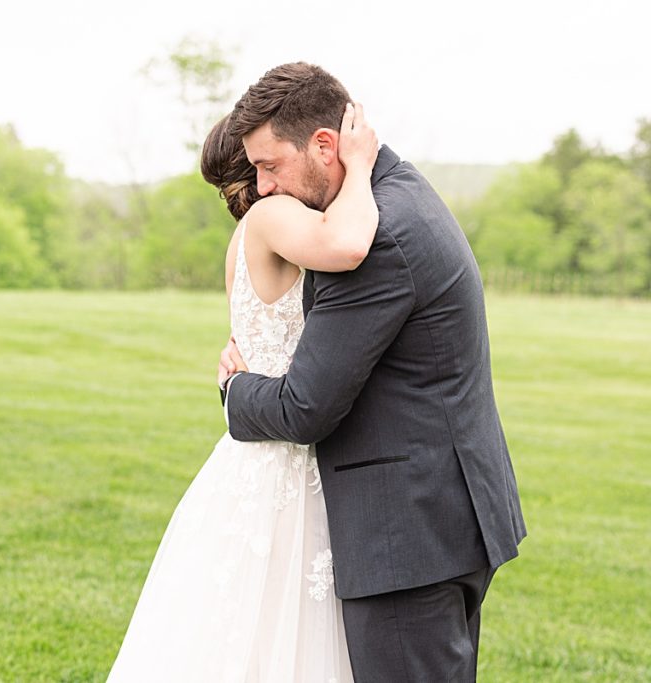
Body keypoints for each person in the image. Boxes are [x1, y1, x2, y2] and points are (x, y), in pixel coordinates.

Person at [219, 62, 527, 682]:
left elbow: (306, 407)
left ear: (325, 145)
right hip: (440, 515)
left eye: (270, 165)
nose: (261, 186)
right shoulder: (402, 189)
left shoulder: (376, 237)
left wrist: (234, 390)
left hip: (408, 536)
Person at [107, 103, 379, 682]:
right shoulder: (275, 215)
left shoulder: (240, 239)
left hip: (253, 453)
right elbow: (349, 243)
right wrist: (358, 167)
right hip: (291, 458)